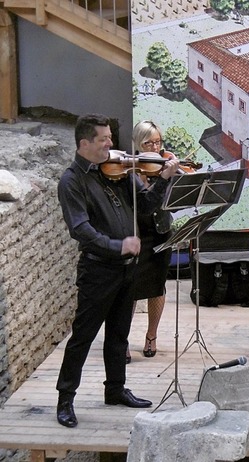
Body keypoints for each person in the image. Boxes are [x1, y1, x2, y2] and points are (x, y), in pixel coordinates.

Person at [55, 114, 180, 428]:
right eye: (103, 140)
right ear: (84, 143)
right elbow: (80, 230)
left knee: (119, 335)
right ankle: (65, 400)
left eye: (110, 138)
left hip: (128, 269)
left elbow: (148, 204)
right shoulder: (72, 181)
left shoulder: (118, 172)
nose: (111, 145)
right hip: (98, 271)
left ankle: (115, 390)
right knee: (82, 338)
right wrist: (118, 245)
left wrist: (164, 178)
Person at [129, 120, 176, 361]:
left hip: (160, 231)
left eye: (158, 142)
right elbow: (145, 204)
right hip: (137, 234)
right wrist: (162, 179)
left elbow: (174, 201)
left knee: (157, 286)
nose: (155, 147)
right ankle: (121, 340)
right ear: (138, 144)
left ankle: (151, 336)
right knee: (128, 289)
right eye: (149, 142)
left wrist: (173, 176)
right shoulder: (129, 170)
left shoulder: (164, 165)